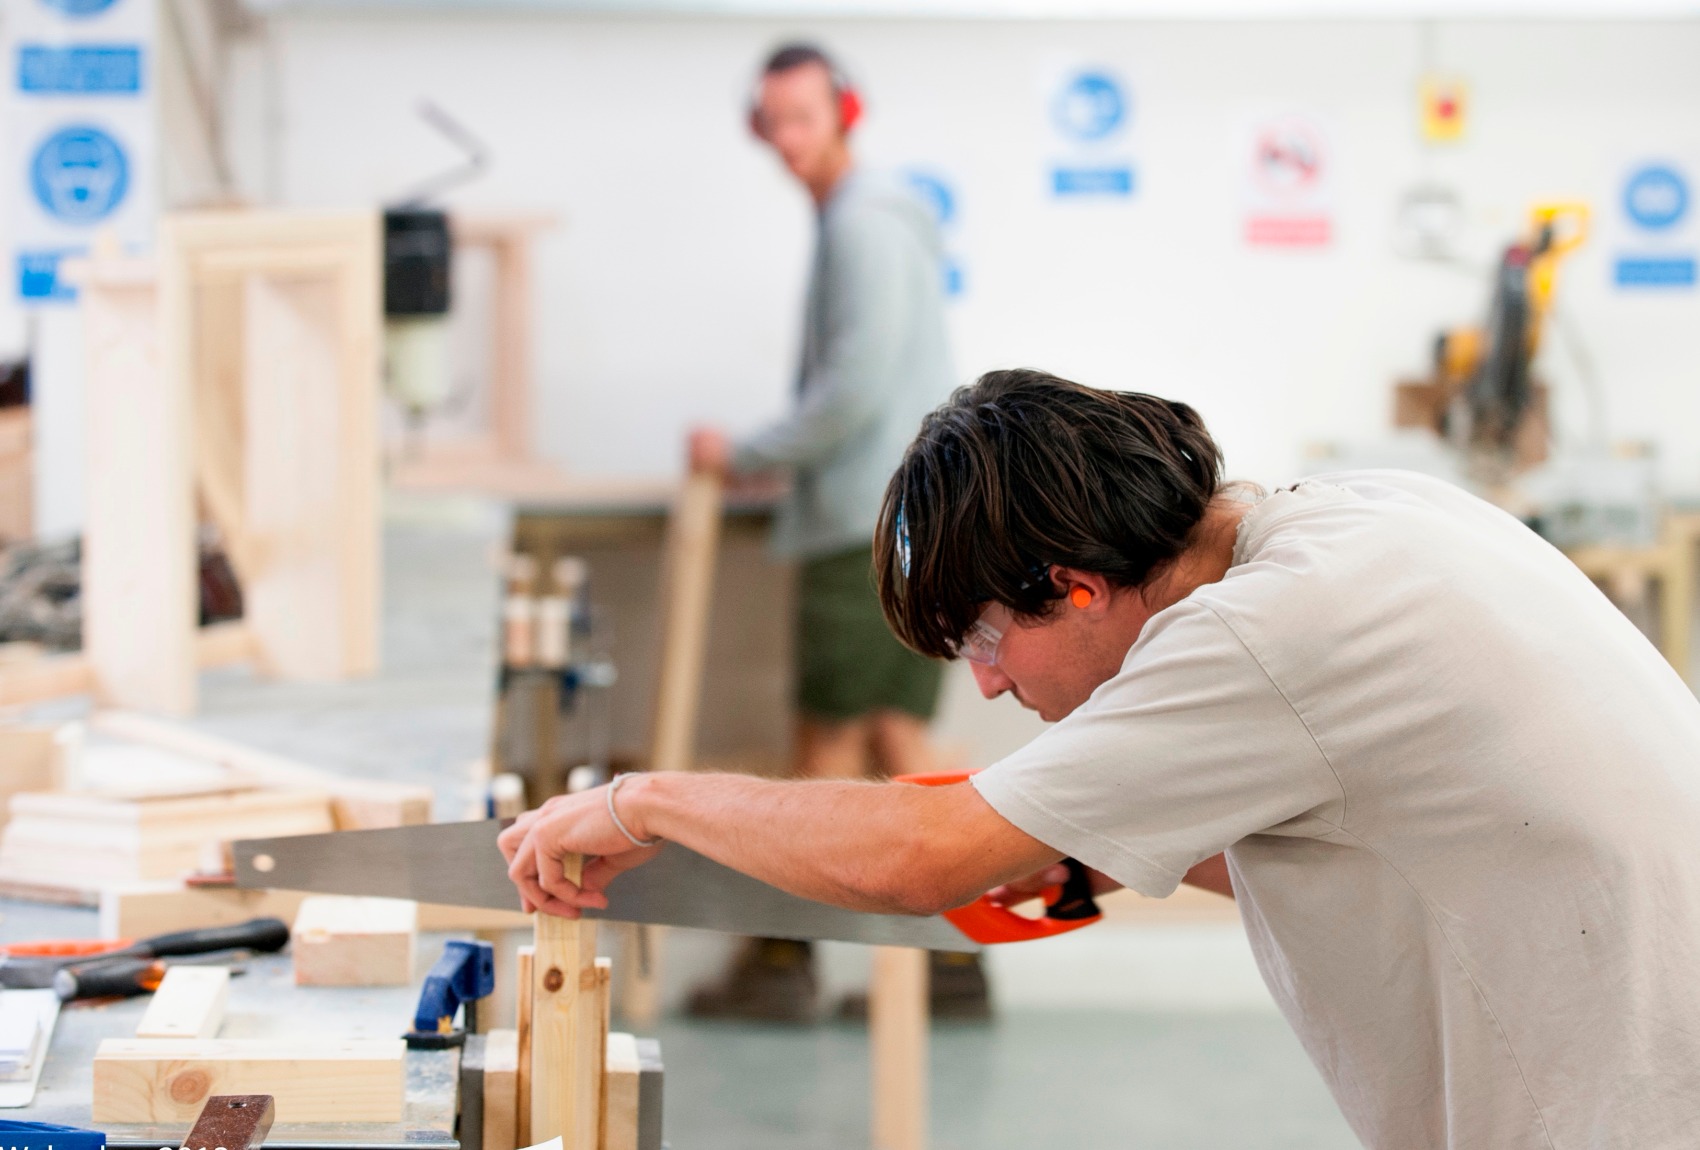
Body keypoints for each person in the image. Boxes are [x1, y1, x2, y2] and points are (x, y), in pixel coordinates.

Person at [503, 368, 1700, 1148]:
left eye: (984, 634)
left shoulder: (1247, 634)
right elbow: (1371, 832)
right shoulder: (1361, 517)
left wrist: (640, 801)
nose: (982, 681)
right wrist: (1079, 836)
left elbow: (924, 859)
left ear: (1073, 587)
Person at [684, 42, 968, 1022]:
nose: (790, 139)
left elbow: (848, 392)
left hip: (861, 522)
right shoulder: (873, 216)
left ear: (845, 111)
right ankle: (957, 964)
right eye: (775, 122)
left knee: (825, 747)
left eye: (804, 116)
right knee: (898, 737)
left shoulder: (861, 224)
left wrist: (746, 448)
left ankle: (782, 966)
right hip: (892, 516)